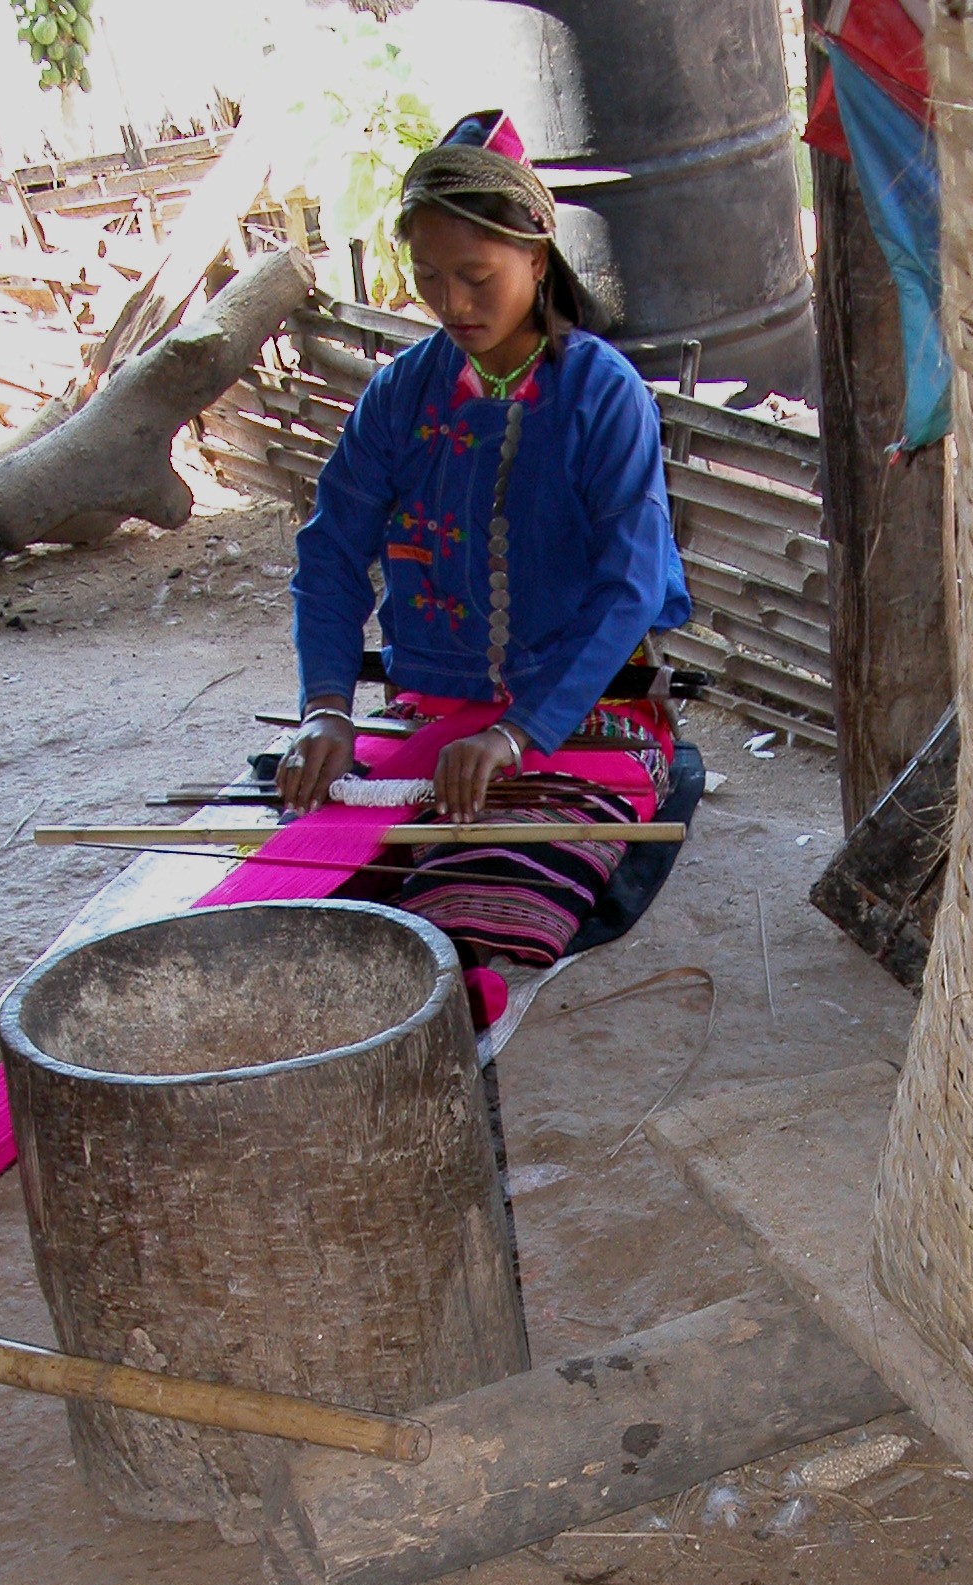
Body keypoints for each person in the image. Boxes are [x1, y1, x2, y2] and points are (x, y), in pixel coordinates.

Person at [280, 111, 693, 988]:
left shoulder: (601, 394)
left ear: (537, 259)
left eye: (477, 276)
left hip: (585, 716)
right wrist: (324, 706)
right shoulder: (402, 396)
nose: (452, 304)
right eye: (429, 278)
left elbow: (630, 587)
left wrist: (516, 733)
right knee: (305, 905)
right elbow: (330, 552)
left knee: (475, 918)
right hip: (429, 715)